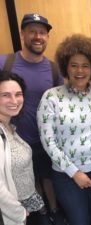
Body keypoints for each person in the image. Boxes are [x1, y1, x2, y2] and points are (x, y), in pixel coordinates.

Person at [37, 34, 91, 225]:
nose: (80, 70)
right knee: (79, 220)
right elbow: (48, 141)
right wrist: (74, 172)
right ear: (65, 67)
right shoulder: (51, 98)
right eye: (74, 65)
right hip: (67, 175)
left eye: (85, 65)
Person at [0, 13, 64, 225]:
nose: (38, 36)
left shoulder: (54, 69)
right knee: (26, 181)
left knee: (48, 177)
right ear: (22, 34)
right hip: (12, 142)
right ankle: (41, 211)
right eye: (32, 31)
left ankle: (53, 210)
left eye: (43, 32)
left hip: (46, 141)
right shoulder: (4, 62)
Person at [0, 71, 44, 225]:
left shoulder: (10, 126)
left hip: (27, 205)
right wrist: (19, 213)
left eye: (18, 94)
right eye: (6, 95)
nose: (14, 100)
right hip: (13, 214)